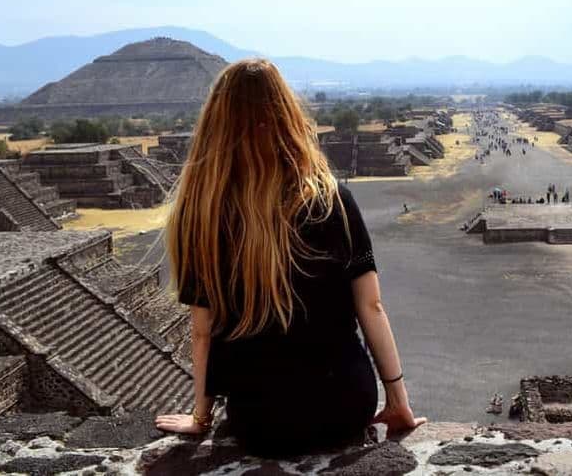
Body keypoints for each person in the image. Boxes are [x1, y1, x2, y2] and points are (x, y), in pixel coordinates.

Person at [154, 59, 425, 456]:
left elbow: (202, 331)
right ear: (287, 114)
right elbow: (372, 307)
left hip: (260, 421)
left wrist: (201, 418)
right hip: (346, 406)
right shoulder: (332, 199)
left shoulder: (202, 216)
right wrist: (397, 403)